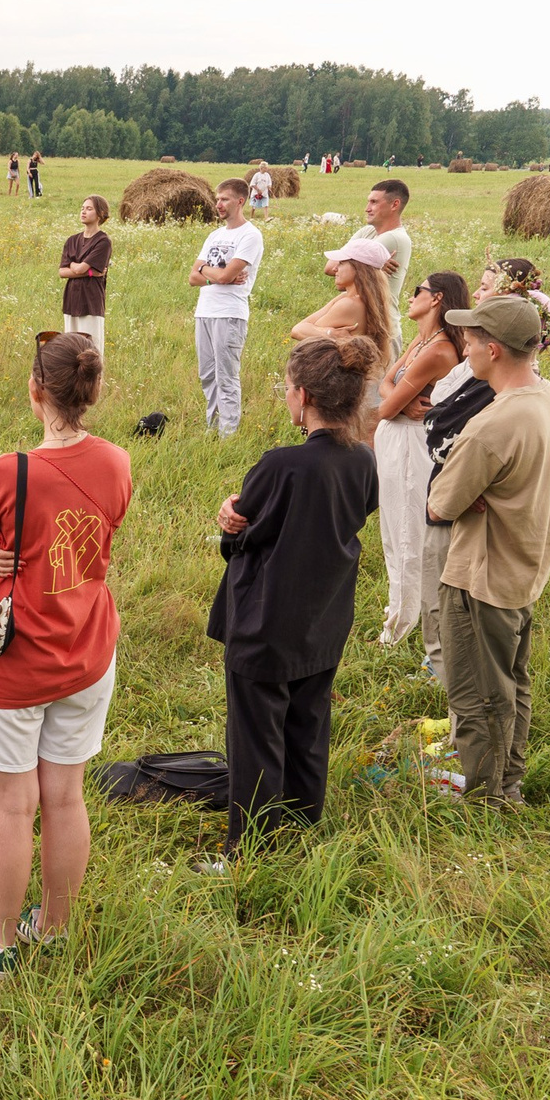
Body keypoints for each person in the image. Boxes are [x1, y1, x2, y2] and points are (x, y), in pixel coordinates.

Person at [0, 333, 129, 978]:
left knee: (13, 805)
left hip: (18, 660)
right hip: (86, 648)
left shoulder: (9, 471)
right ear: (94, 393)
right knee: (66, 794)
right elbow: (99, 535)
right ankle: (52, 927)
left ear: (35, 391)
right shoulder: (116, 461)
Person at [206, 335, 380, 854]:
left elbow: (242, 534)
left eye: (286, 388)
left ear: (303, 397)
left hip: (265, 622)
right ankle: (303, 827)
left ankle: (252, 850)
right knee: (308, 724)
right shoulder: (363, 461)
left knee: (256, 737)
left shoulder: (281, 464)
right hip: (324, 617)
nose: (285, 396)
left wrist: (229, 522)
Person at [427, 294, 550, 805]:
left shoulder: (491, 425)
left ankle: (487, 799)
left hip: (480, 577)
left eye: (469, 339)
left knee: (477, 696)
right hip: (524, 567)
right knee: (512, 682)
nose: (463, 347)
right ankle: (509, 780)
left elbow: (440, 505)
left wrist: (469, 496)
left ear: (492, 349)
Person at [372, 271, 471, 648]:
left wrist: (395, 397)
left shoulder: (438, 349)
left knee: (407, 532)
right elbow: (386, 382)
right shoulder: (422, 340)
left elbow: (385, 407)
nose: (411, 296)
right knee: (393, 531)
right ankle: (397, 612)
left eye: (419, 291)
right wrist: (394, 395)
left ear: (437, 299)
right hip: (397, 440)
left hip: (412, 446)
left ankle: (401, 626)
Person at [187, 178, 264, 436]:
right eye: (218, 199)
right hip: (205, 311)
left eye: (224, 199)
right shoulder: (214, 235)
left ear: (240, 201)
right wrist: (215, 274)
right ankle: (213, 427)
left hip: (230, 314)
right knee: (207, 375)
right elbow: (192, 277)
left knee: (226, 377)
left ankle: (227, 435)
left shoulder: (250, 235)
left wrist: (210, 273)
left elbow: (221, 275)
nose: (218, 204)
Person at [288, 236, 397, 402]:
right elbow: (299, 328)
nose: (335, 269)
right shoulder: (362, 300)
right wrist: (331, 332)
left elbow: (298, 331)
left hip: (338, 390)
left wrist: (322, 333)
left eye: (341, 263)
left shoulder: (349, 304)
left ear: (358, 268)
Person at [57, 195, 112, 356]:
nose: (83, 212)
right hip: (71, 302)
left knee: (91, 351)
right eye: (82, 208)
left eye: (89, 209)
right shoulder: (72, 240)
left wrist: (76, 267)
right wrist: (88, 272)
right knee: (71, 351)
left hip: (90, 303)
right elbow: (62, 272)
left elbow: (78, 269)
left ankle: (96, 382)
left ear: (100, 214)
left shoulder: (103, 241)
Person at [363, 180, 413, 331]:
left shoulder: (394, 238)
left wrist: (356, 263)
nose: (367, 209)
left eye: (374, 202)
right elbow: (331, 266)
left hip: (382, 327)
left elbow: (345, 270)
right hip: (369, 322)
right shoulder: (367, 231)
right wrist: (366, 263)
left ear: (394, 205)